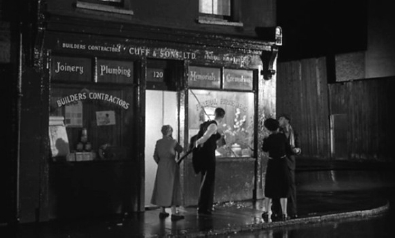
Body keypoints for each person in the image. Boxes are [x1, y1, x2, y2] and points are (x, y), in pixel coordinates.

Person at [195, 107, 226, 215]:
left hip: (206, 155)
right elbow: (205, 137)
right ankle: (205, 207)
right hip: (209, 156)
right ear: (222, 116)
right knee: (208, 180)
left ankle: (204, 205)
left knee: (206, 180)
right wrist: (197, 143)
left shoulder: (209, 124)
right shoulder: (213, 125)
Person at [261, 118, 293, 222]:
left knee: (270, 186)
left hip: (272, 163)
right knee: (284, 186)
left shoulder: (268, 138)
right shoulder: (282, 137)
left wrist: (265, 139)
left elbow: (264, 149)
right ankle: (284, 213)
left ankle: (266, 212)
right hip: (282, 163)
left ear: (268, 129)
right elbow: (289, 150)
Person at [151, 125, 185, 221]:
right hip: (171, 166)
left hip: (161, 166)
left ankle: (162, 211)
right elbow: (181, 150)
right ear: (170, 132)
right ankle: (174, 212)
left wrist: (161, 163)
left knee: (162, 188)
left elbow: (155, 156)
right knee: (172, 188)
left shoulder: (158, 142)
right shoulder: (173, 142)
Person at [271, 115, 301, 220]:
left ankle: (292, 211)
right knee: (278, 186)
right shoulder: (278, 132)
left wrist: (297, 150)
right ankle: (276, 210)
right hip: (280, 161)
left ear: (286, 120)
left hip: (290, 162)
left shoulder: (294, 132)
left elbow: (298, 145)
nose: (279, 120)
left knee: (291, 187)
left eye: (281, 119)